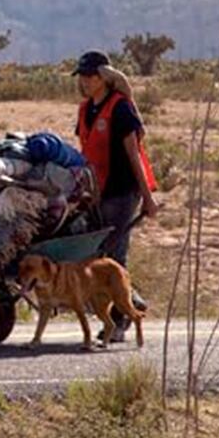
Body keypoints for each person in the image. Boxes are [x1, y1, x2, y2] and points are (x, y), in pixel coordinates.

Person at [72, 50, 158, 341]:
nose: (85, 81)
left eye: (90, 76)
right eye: (82, 76)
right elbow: (85, 150)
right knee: (98, 254)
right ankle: (133, 302)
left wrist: (147, 197)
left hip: (122, 191)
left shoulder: (120, 108)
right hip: (96, 191)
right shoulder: (85, 109)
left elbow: (134, 154)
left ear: (104, 77)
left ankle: (120, 323)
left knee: (116, 254)